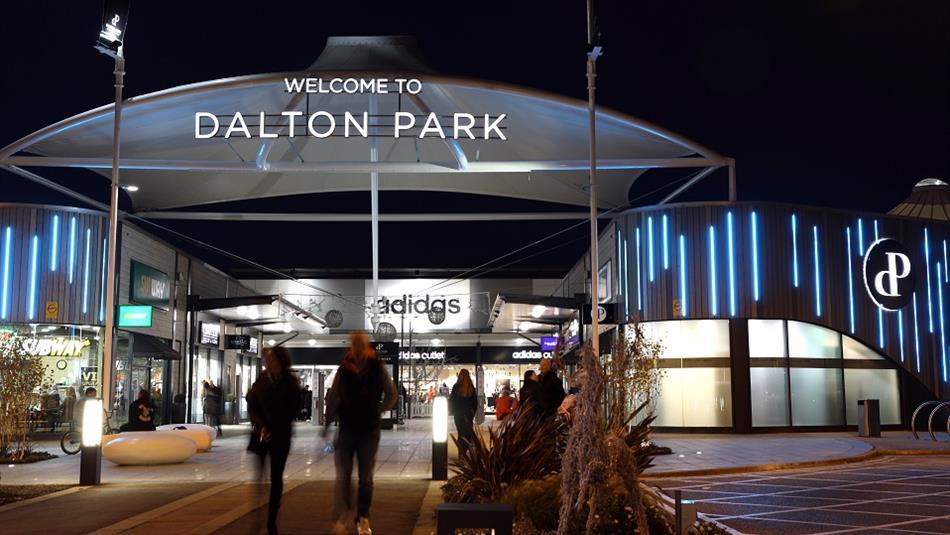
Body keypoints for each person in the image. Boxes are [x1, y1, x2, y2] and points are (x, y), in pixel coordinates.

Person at [325, 331, 397, 535]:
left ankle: (363, 517)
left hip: (368, 429)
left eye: (359, 342)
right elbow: (334, 396)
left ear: (365, 345)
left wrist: (379, 409)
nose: (356, 346)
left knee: (365, 478)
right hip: (347, 428)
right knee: (345, 475)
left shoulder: (377, 367)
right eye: (354, 342)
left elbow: (391, 393)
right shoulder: (344, 368)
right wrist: (328, 422)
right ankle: (347, 513)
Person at [246, 346, 300, 535]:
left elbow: (295, 407)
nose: (270, 363)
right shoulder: (262, 380)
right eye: (268, 360)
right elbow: (251, 402)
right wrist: (261, 424)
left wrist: (277, 424)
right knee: (260, 475)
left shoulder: (290, 382)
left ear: (282, 362)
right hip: (262, 433)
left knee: (276, 477)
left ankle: (271, 518)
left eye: (273, 360)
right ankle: (259, 510)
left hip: (281, 434)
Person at [449, 369, 478, 456]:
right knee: (467, 434)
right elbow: (475, 403)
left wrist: (453, 411)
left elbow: (452, 401)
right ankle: (465, 452)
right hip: (468, 415)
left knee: (460, 433)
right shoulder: (471, 388)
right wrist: (472, 413)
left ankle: (461, 453)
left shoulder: (456, 387)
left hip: (458, 414)